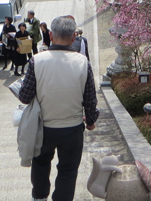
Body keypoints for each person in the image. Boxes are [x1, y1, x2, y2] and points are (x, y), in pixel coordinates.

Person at [18, 15, 99, 201]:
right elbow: (90, 98)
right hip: (72, 128)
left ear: (51, 35)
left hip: (43, 127)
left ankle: (39, 197)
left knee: (40, 163)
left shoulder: (37, 61)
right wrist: (91, 120)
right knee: (68, 171)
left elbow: (24, 96)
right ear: (73, 37)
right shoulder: (83, 62)